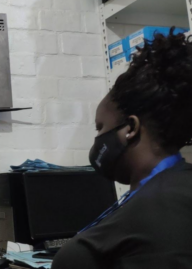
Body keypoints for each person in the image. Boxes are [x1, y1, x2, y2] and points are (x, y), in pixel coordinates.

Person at [52, 28, 192, 269]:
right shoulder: (178, 186)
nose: (98, 139)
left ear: (131, 128)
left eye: (100, 127)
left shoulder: (157, 209)